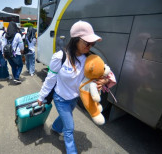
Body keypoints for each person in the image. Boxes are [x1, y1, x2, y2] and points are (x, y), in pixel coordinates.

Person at [37, 21, 109, 154]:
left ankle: (55, 127)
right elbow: (50, 79)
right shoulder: (60, 57)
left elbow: (106, 72)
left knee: (66, 116)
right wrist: (41, 96)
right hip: (60, 98)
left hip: (75, 98)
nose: (90, 46)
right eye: (87, 43)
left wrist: (105, 80)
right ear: (76, 40)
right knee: (69, 128)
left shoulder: (90, 59)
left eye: (93, 43)